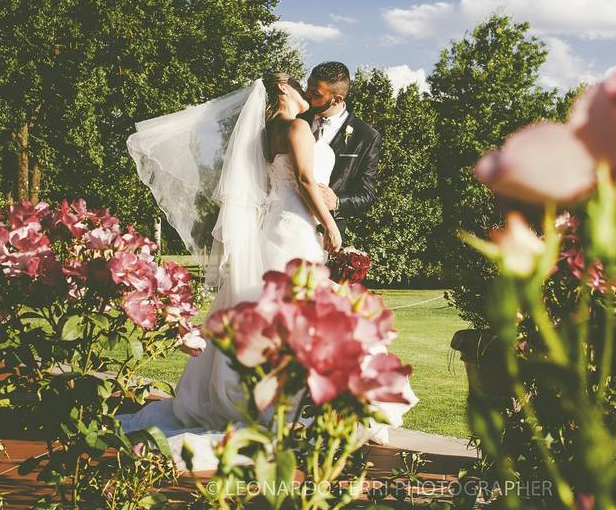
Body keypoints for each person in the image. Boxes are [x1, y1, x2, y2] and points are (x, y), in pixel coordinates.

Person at [117, 73, 416, 471]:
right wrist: (330, 223)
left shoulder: (265, 132)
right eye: (302, 88)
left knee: (268, 308)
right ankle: (291, 404)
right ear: (288, 93)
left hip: (272, 226)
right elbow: (307, 180)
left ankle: (250, 394)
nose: (309, 95)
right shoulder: (296, 127)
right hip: (296, 228)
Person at [299, 61, 381, 239]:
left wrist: (337, 201)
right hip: (284, 219)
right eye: (307, 88)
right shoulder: (295, 119)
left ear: (337, 99)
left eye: (315, 93)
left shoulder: (365, 136)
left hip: (326, 233)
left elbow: (366, 195)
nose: (306, 95)